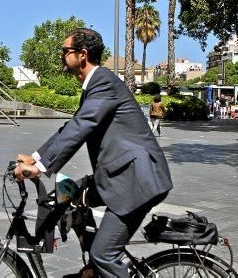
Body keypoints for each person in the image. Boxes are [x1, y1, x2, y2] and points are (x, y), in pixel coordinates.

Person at [13, 28, 172, 278]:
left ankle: (98, 265)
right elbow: (73, 126)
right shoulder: (96, 84)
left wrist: (39, 168)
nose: (61, 57)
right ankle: (92, 272)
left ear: (82, 54)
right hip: (120, 174)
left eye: (65, 52)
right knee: (66, 196)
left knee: (104, 254)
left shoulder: (104, 82)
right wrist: (36, 157)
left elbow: (82, 126)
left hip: (135, 181)